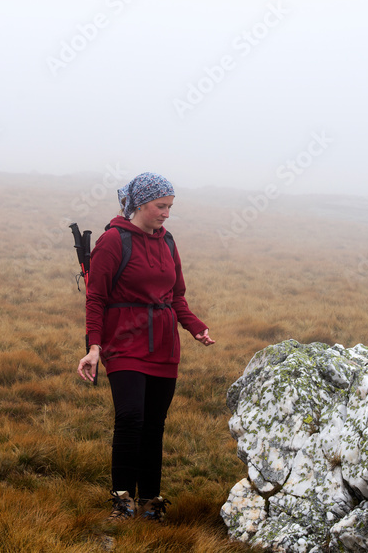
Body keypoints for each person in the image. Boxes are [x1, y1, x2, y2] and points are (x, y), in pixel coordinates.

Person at [77, 172, 215, 522]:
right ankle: (122, 500)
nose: (166, 213)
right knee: (130, 418)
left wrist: (195, 327)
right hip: (123, 343)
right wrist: (94, 347)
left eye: (170, 206)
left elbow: (176, 296)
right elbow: (96, 299)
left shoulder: (168, 242)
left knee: (154, 423)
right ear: (140, 204)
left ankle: (151, 502)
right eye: (160, 206)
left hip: (164, 347)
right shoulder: (113, 241)